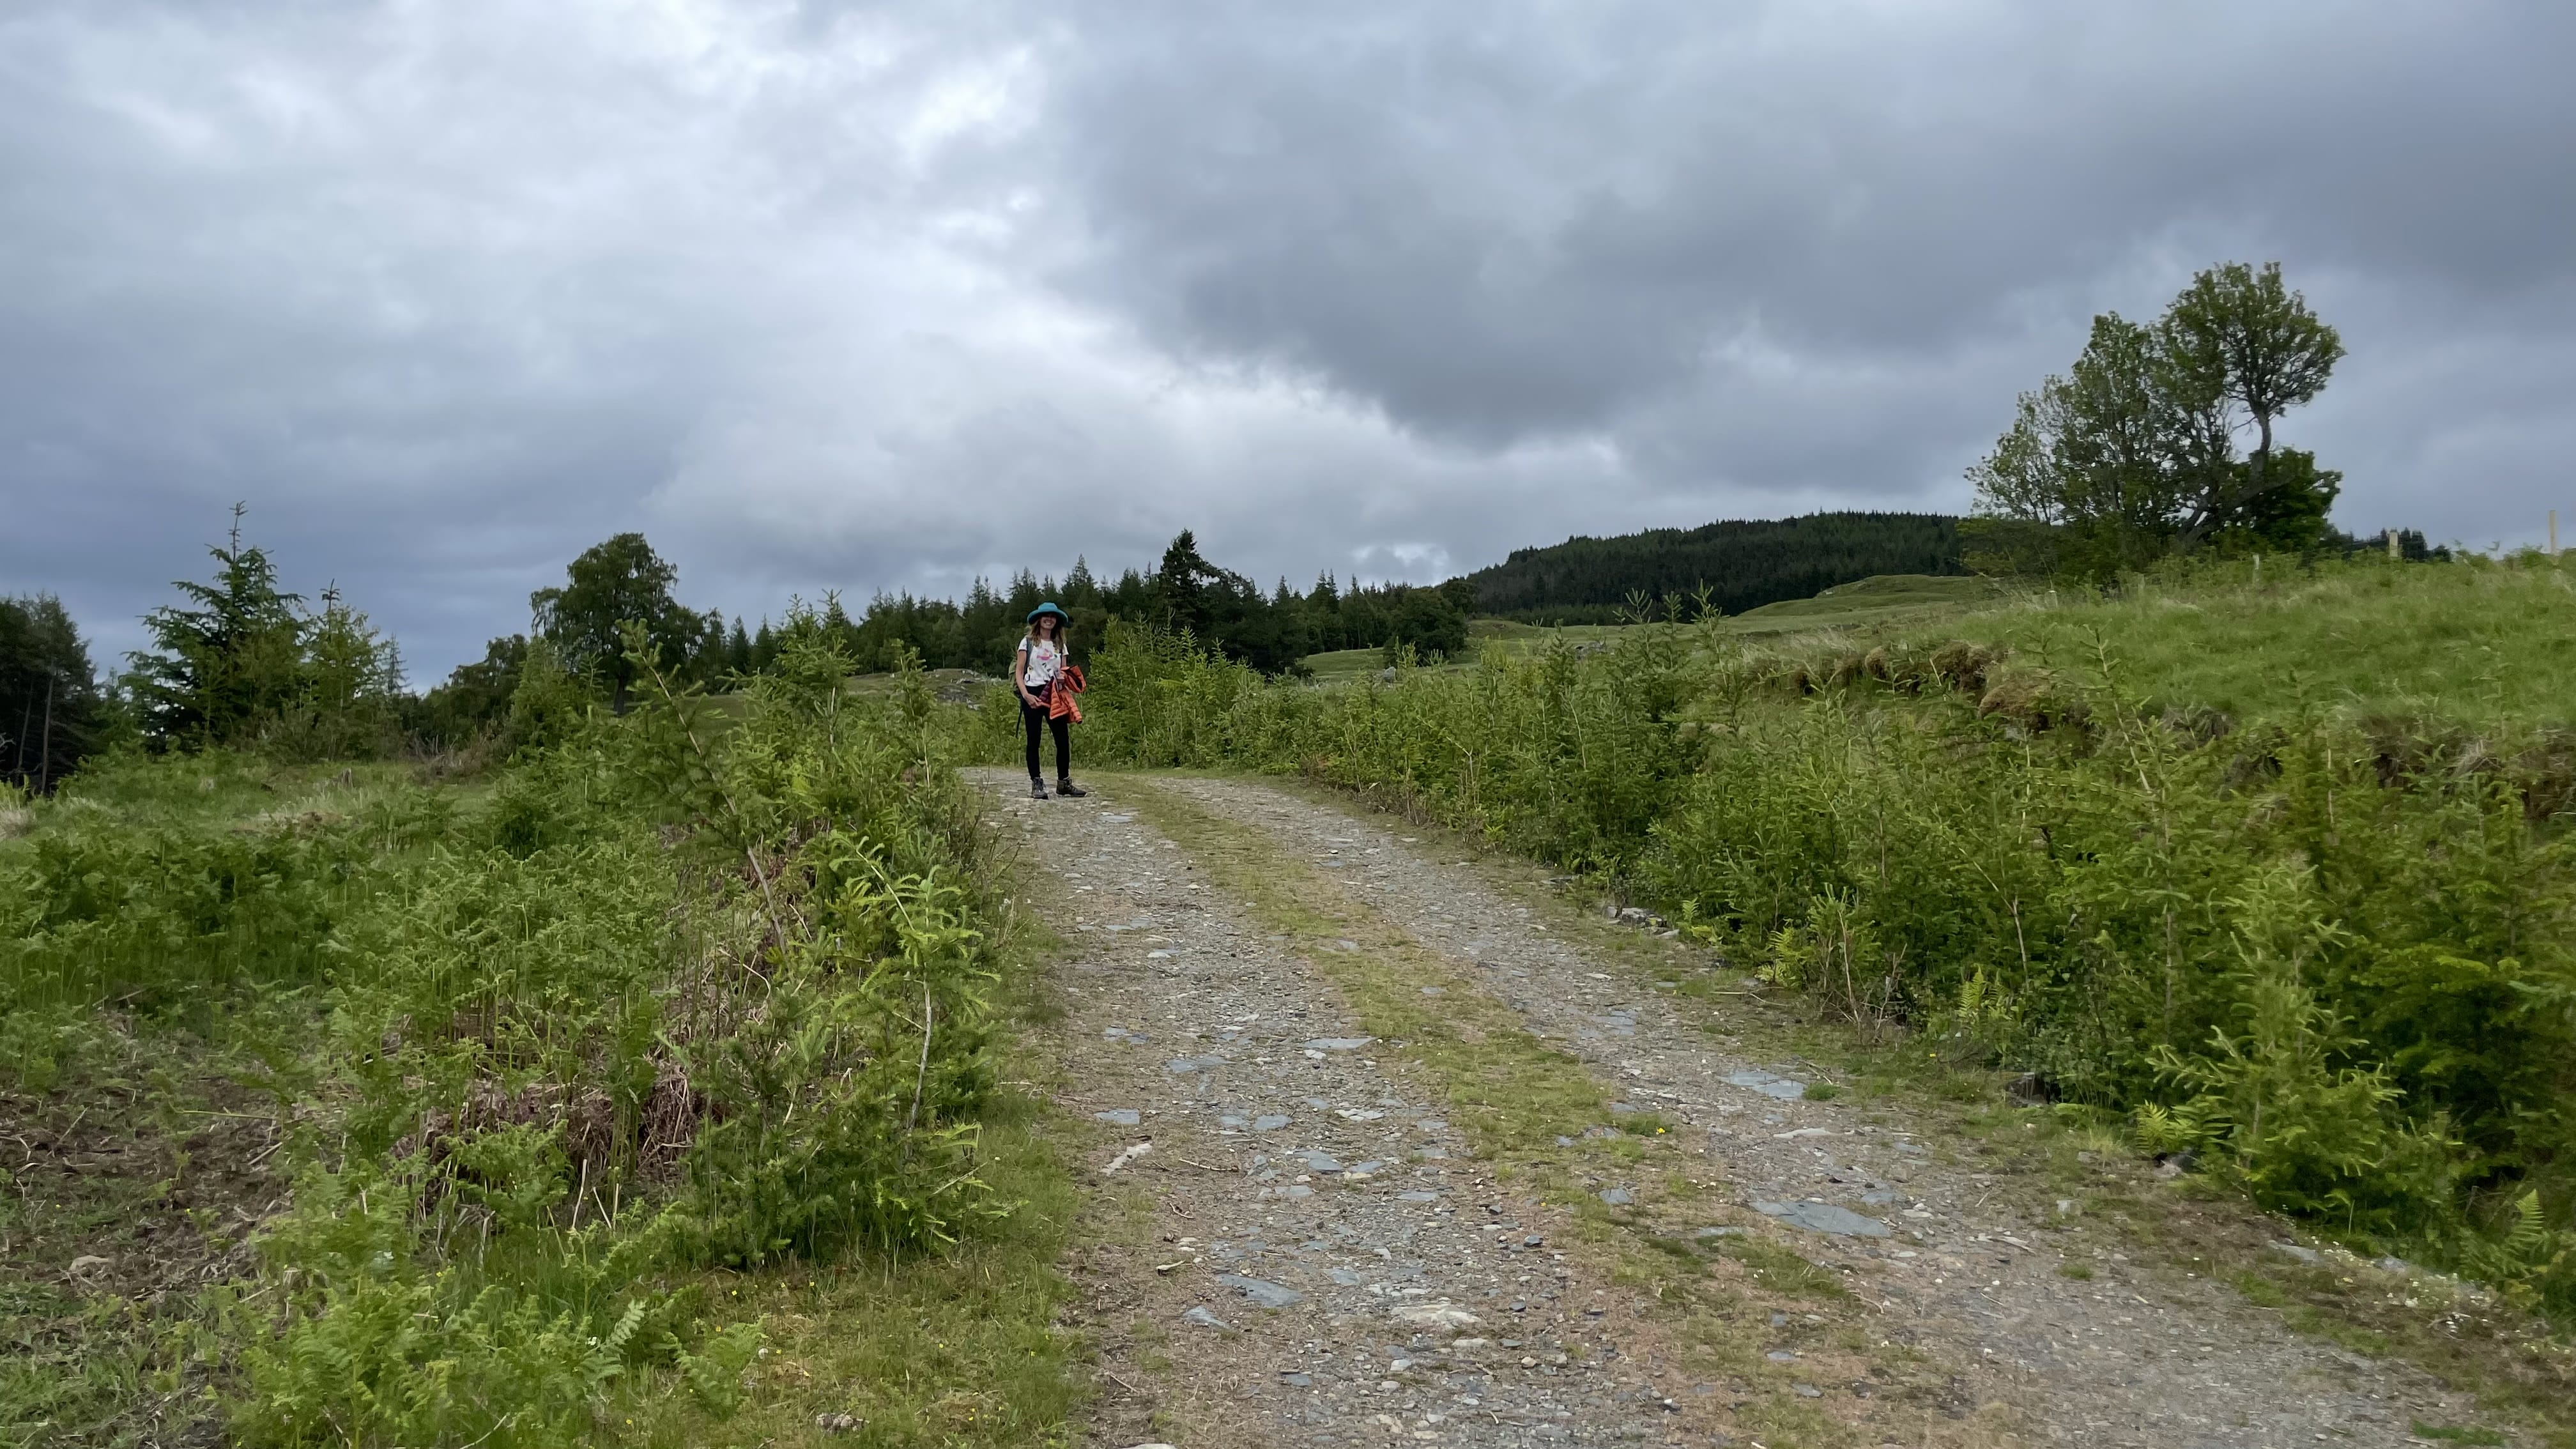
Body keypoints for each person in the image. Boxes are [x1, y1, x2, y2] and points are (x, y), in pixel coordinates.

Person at [1014, 602, 1085, 799]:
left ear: (1057, 621)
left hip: (1054, 694)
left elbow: (1063, 671)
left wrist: (1063, 678)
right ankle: (1037, 782)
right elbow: (1019, 673)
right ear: (1039, 619)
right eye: (1046, 616)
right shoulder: (1027, 643)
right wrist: (1026, 695)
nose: (1049, 619)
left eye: (1053, 616)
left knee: (1062, 739)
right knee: (1034, 739)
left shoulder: (1060, 646)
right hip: (1032, 692)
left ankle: (1064, 782)